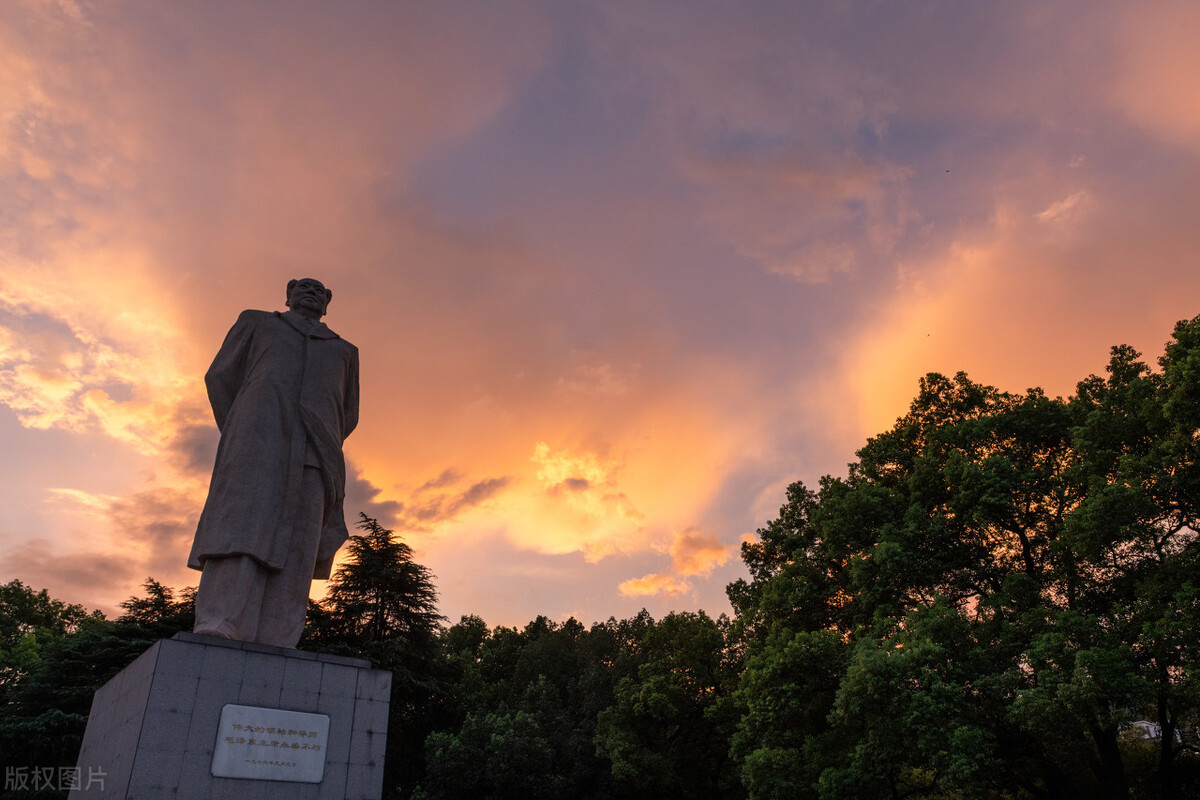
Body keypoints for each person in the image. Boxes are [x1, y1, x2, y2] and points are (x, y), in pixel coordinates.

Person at [188, 278, 359, 647]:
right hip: (257, 443)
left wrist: (318, 433)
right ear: (288, 294)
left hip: (316, 453)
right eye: (304, 287)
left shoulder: (345, 351)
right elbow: (220, 377)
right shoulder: (257, 322)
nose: (312, 292)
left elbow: (348, 412)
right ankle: (221, 620)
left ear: (328, 303)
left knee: (300, 543)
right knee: (241, 531)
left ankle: (280, 635)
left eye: (321, 290)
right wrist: (245, 424)